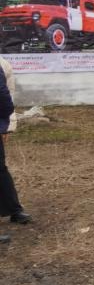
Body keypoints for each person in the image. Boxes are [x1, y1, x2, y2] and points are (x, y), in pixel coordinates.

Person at [0, 57, 31, 225]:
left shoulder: (3, 65)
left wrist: (7, 125)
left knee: (1, 170)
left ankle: (14, 210)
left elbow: (6, 96)